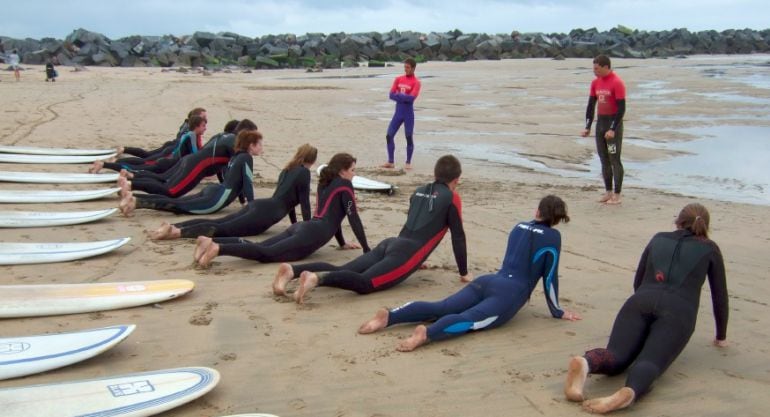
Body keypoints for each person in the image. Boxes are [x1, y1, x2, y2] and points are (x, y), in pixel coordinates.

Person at [357, 195, 580, 351]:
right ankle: (427, 333)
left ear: (537, 211)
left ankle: (391, 316)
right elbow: (549, 277)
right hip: (509, 294)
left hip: (489, 280)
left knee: (441, 307)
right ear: (557, 219)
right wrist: (558, 311)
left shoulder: (518, 227)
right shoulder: (553, 238)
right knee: (470, 320)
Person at [564, 203, 728, 414]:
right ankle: (629, 391)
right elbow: (720, 296)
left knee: (616, 355)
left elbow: (638, 280)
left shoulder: (658, 238)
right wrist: (721, 336)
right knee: (650, 361)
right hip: (678, 312)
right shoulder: (710, 248)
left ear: (678, 221)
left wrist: (644, 311)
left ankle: (585, 363)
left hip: (640, 301)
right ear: (705, 225)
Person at [276, 154, 469, 304]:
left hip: (391, 243)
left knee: (343, 269)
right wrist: (463, 272)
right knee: (366, 283)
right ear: (456, 180)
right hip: (406, 252)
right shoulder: (453, 198)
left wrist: (415, 260)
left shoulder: (418, 191)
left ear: (435, 174)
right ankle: (316, 279)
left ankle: (293, 270)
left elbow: (413, 224)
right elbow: (458, 237)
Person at [194, 152, 370, 267]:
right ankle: (218, 249)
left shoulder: (325, 184)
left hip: (302, 227)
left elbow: (333, 215)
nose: (354, 174)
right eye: (353, 170)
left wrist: (342, 243)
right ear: (342, 171)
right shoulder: (345, 186)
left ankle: (212, 242)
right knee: (266, 254)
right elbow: (352, 216)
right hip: (311, 234)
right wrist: (366, 250)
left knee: (260, 246)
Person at [148, 143, 316, 239]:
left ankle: (173, 226)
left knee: (222, 221)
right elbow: (304, 202)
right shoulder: (304, 173)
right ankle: (178, 232)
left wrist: (296, 225)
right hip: (265, 215)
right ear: (312, 160)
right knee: (224, 229)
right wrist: (307, 228)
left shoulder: (287, 170)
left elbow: (291, 201)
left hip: (260, 206)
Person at [118, 129, 263, 216]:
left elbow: (230, 176)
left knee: (176, 200)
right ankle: (136, 201)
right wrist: (251, 206)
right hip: (216, 198)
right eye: (259, 144)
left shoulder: (236, 156)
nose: (261, 147)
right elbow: (247, 183)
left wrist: (244, 201)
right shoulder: (246, 158)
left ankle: (135, 196)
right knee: (178, 204)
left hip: (214, 190)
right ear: (251, 145)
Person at [116, 115, 215, 198]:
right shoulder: (192, 135)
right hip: (172, 163)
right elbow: (195, 153)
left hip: (173, 162)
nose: (205, 128)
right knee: (160, 178)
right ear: (196, 126)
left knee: (158, 176)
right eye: (203, 126)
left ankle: (130, 177)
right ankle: (130, 178)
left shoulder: (191, 135)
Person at [89, 108, 208, 173]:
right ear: (196, 121)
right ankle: (110, 163)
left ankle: (111, 162)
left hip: (171, 150)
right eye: (204, 120)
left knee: (146, 159)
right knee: (145, 163)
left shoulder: (188, 127)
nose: (206, 123)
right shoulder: (191, 134)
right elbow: (194, 152)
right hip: (169, 154)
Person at [581, 54, 626, 205]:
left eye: (597, 68)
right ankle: (608, 192)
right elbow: (590, 105)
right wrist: (587, 126)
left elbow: (621, 109)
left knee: (614, 159)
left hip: (613, 124)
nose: (595, 71)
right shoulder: (595, 83)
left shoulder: (617, 82)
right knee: (603, 159)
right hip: (600, 124)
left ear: (606, 67)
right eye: (593, 68)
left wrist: (613, 129)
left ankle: (617, 195)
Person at [381, 58, 421, 170]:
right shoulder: (398, 79)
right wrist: (403, 97)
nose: (406, 69)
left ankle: (408, 162)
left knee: (408, 137)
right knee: (389, 136)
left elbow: (411, 98)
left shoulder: (416, 83)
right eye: (405, 67)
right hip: (398, 113)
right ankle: (391, 162)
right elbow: (391, 95)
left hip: (408, 114)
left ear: (413, 68)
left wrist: (399, 95)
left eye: (408, 67)